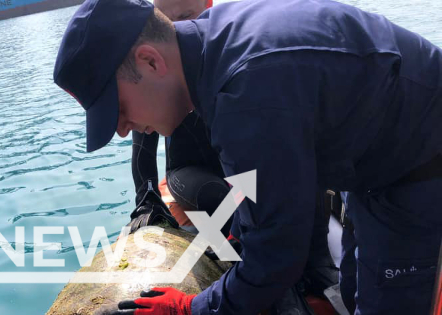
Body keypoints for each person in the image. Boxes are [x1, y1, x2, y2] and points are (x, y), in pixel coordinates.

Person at [52, 0, 442, 315]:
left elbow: (276, 261)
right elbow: (273, 155)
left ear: (152, 62)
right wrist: (248, 216)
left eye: (118, 109)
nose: (122, 128)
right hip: (376, 154)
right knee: (359, 289)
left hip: (419, 166)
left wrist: (190, 313)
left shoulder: (245, 93)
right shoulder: (216, 50)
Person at [129, 0, 338, 297]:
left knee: (305, 171)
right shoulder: (159, 70)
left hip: (245, 161)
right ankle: (252, 271)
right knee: (225, 198)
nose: (178, 28)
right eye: (167, 20)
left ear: (209, 4)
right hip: (193, 169)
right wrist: (147, 196)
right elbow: (142, 131)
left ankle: (318, 258)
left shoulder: (231, 54)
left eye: (187, 16)